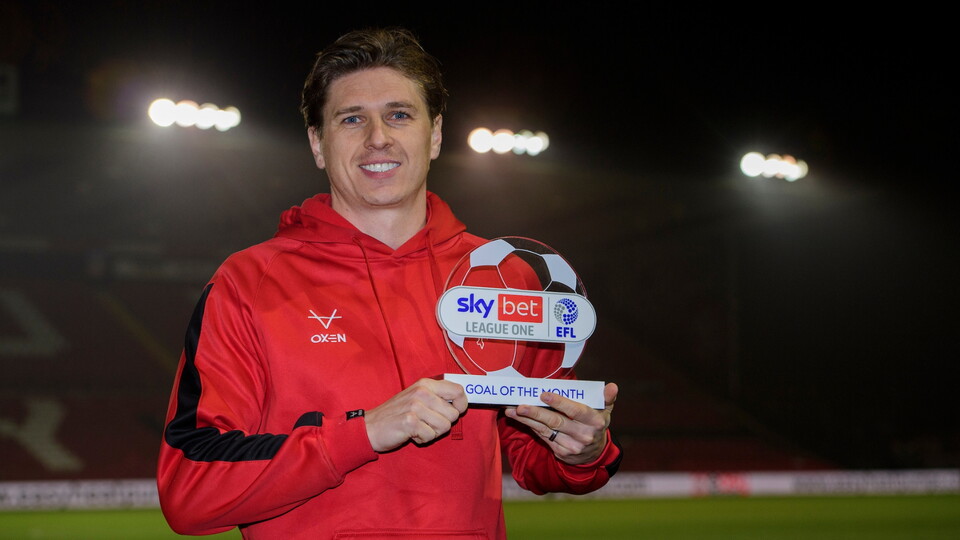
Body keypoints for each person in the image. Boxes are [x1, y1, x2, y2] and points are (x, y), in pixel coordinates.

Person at [157, 26, 622, 539]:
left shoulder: (505, 278)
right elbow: (191, 487)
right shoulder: (248, 283)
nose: (378, 137)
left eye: (399, 115)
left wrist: (582, 449)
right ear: (317, 143)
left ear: (436, 134)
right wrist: (365, 432)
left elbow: (535, 452)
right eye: (352, 118)